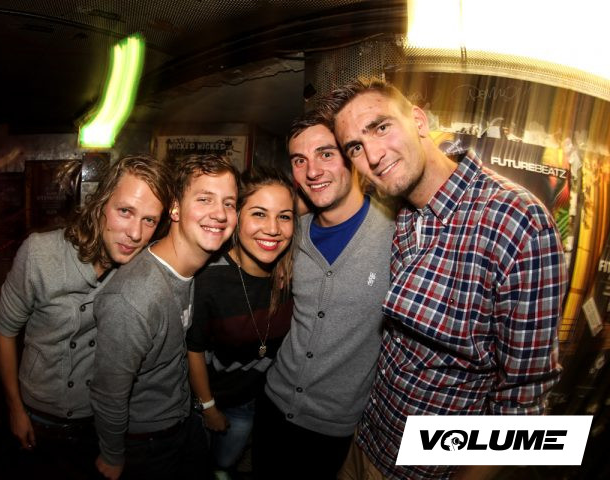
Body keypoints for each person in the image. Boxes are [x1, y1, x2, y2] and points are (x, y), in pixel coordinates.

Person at [328, 77, 568, 480]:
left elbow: (522, 409)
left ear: (419, 121)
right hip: (365, 442)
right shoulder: (402, 211)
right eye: (355, 147)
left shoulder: (517, 221)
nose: (373, 155)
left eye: (381, 127)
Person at [0, 155, 171, 476]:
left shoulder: (141, 271)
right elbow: (5, 330)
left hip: (95, 425)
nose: (135, 233)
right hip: (37, 415)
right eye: (125, 211)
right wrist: (14, 408)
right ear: (101, 204)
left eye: (149, 220)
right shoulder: (40, 254)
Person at [252, 111, 395, 479]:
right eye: (299, 160)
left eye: (326, 154)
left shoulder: (397, 235)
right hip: (272, 404)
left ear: (352, 156)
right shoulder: (290, 232)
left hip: (333, 429)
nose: (312, 171)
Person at [91, 154, 239, 480]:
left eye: (229, 203)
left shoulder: (196, 267)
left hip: (183, 422)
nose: (220, 213)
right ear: (174, 209)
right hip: (145, 444)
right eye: (204, 199)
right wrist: (113, 456)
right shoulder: (134, 298)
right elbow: (108, 393)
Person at [186, 166, 296, 477]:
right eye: (259, 214)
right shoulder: (209, 277)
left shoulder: (294, 276)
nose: (273, 229)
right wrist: (208, 407)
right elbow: (193, 349)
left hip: (249, 402)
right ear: (236, 218)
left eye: (284, 216)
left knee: (224, 467)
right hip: (203, 400)